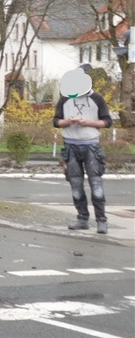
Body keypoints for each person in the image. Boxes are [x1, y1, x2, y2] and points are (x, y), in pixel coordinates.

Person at [53, 65, 111, 234]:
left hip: (91, 145)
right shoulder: (65, 99)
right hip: (70, 144)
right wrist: (66, 122)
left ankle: (101, 220)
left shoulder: (97, 99)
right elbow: (56, 121)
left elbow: (107, 121)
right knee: (75, 184)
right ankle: (82, 218)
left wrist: (89, 123)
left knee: (96, 183)